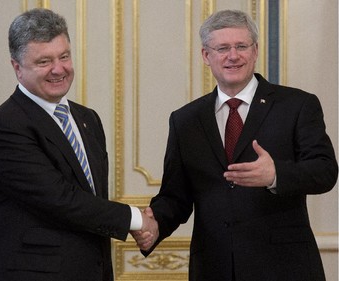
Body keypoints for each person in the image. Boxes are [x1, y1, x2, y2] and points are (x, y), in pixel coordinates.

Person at [131, 9, 338, 281]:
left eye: (241, 46)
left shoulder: (297, 105)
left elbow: (325, 171)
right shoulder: (185, 120)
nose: (233, 56)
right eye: (222, 48)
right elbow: (176, 196)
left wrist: (276, 175)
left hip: (284, 267)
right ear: (206, 56)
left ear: (254, 51)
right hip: (214, 267)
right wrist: (154, 224)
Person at [0, 8, 157, 281]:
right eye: (44, 61)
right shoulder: (5, 127)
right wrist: (136, 219)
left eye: (64, 56)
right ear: (17, 67)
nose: (58, 69)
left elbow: (91, 203)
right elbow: (61, 199)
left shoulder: (87, 119)